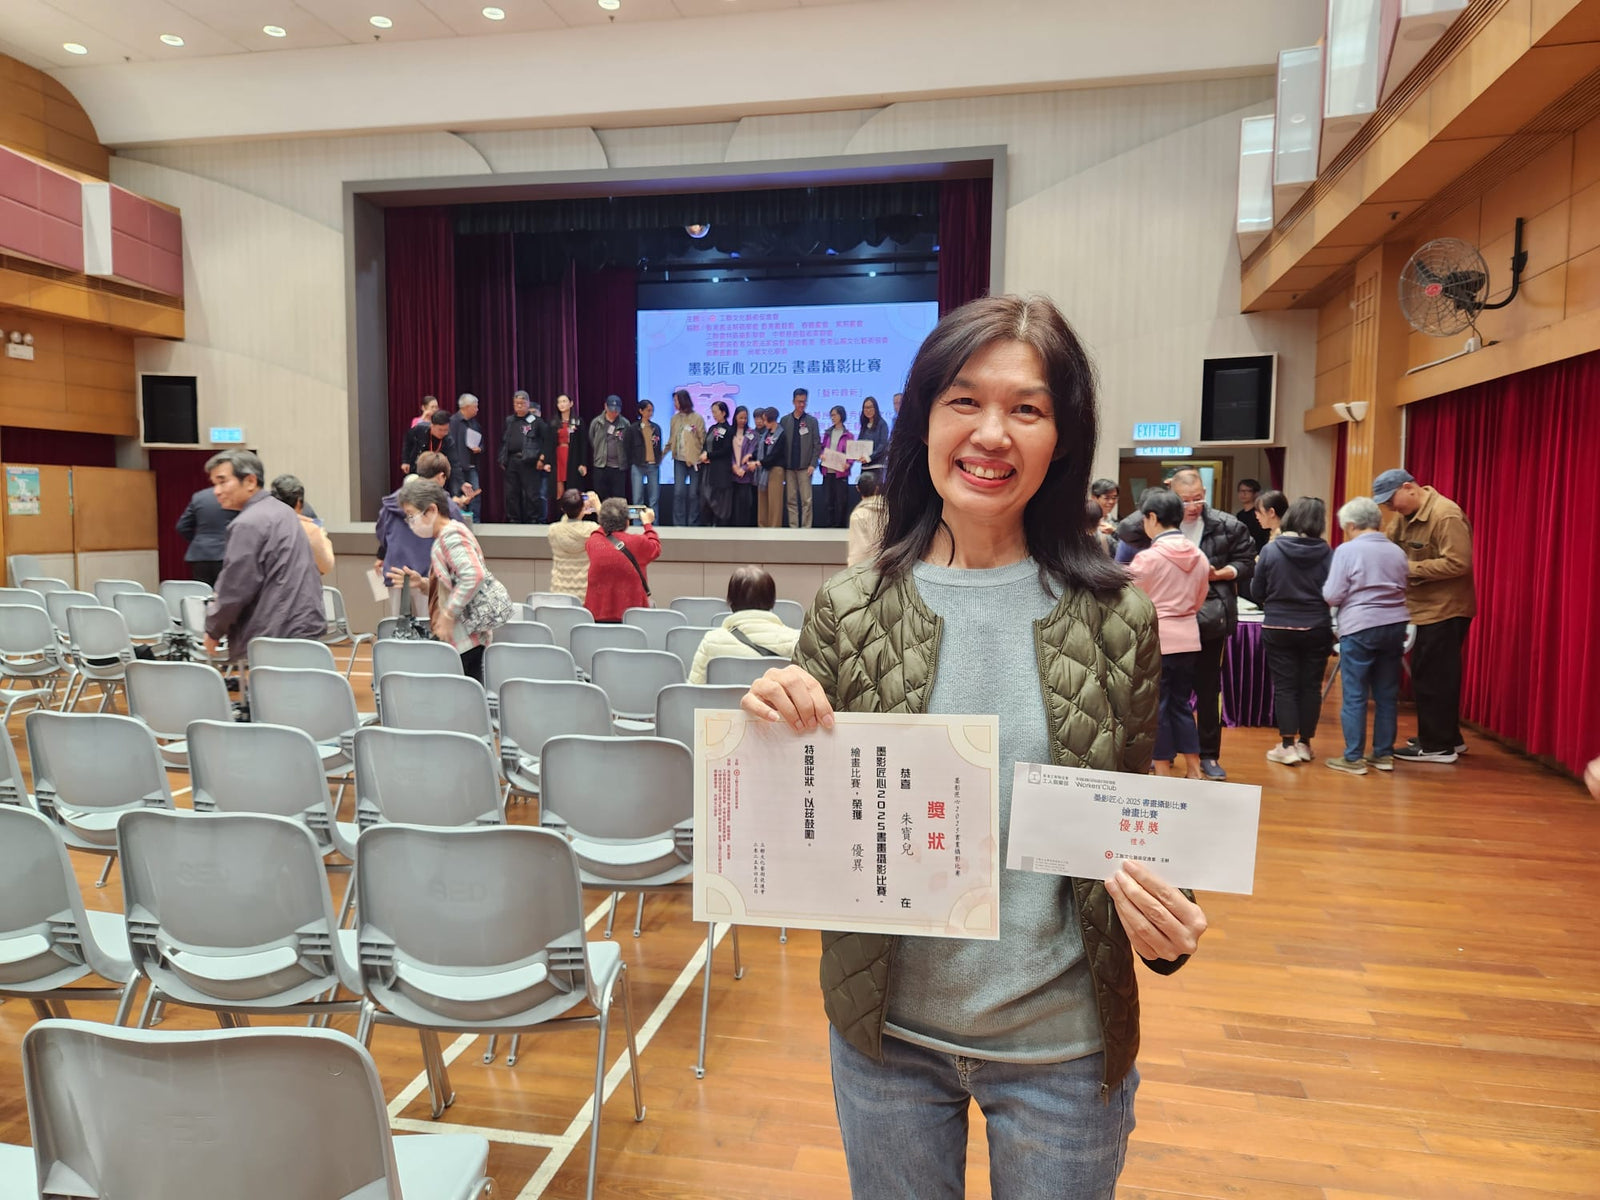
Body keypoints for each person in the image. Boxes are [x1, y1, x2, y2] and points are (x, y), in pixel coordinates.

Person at [740, 294, 1204, 1199]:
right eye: (965, 402)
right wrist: (766, 733)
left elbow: (1129, 819)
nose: (992, 433)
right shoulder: (850, 609)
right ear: (921, 422)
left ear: (1061, 438)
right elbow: (810, 830)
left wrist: (1168, 922)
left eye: (1026, 409)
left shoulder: (1118, 618)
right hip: (887, 1042)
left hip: (1064, 1051)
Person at [1374, 467, 1475, 764]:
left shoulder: (1445, 515)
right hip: (1422, 609)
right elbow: (1387, 545)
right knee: (1431, 675)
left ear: (1409, 487)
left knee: (1434, 678)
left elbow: (1459, 563)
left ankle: (1436, 747)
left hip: (1445, 609)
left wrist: (1408, 569)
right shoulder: (1403, 518)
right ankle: (1447, 738)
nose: (1389, 508)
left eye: (1391, 500)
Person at [1170, 467, 1256, 781]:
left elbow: (1248, 562)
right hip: (1171, 617)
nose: (1192, 506)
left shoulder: (1227, 524)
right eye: (1184, 501)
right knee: (1166, 690)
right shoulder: (1161, 521)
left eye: (1197, 499)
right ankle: (1164, 754)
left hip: (1211, 616)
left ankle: (1209, 756)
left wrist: (1221, 573)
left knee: (1208, 690)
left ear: (1205, 494)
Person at [201, 450, 326, 660]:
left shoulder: (248, 523)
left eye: (222, 482)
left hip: (273, 631)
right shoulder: (284, 511)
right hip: (301, 621)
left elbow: (235, 586)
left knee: (272, 692)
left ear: (250, 481)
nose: (216, 491)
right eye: (214, 484)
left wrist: (213, 630)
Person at [387, 476, 513, 681]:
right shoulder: (449, 534)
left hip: (466, 640)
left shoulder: (451, 536)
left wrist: (447, 615)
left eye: (412, 516)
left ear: (432, 510)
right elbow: (453, 583)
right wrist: (424, 584)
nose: (411, 523)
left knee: (462, 701)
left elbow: (473, 575)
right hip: (461, 640)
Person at [1322, 496, 1411, 774]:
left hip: (1360, 626)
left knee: (1355, 694)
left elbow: (1332, 594)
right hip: (1396, 625)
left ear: (1350, 525)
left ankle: (1353, 758)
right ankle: (1383, 755)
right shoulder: (1397, 551)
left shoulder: (1347, 551)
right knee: (1386, 694)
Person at [1127, 488, 1210, 779]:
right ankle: (1194, 767)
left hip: (1157, 641)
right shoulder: (1200, 556)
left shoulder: (1147, 559)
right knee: (1182, 705)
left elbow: (1131, 602)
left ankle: (1161, 769)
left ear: (1152, 517)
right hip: (1189, 638)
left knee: (1157, 707)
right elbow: (1200, 599)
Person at [1252, 497, 1334, 766]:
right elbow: (1333, 590)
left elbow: (1257, 591)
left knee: (1285, 686)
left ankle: (1286, 744)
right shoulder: (1326, 552)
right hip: (1317, 625)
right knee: (1311, 686)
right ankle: (1305, 744)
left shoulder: (1271, 550)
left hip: (1279, 625)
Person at [375, 451, 462, 616]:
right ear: (441, 476)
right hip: (429, 576)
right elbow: (458, 538)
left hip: (396, 573)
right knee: (430, 631)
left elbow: (382, 534)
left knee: (398, 631)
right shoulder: (445, 505)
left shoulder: (393, 502)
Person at [687, 566, 800, 684]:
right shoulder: (795, 642)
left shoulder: (711, 641)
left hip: (724, 703)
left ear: (730, 602)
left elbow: (695, 690)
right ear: (772, 601)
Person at [584, 498, 660, 621]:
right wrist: (647, 524)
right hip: (632, 617)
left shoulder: (593, 542)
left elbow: (599, 532)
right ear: (627, 522)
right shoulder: (637, 542)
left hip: (598, 617)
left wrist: (602, 515)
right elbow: (655, 547)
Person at [269, 474, 335, 576]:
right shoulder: (310, 528)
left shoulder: (260, 523)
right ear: (299, 502)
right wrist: (322, 537)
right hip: (301, 586)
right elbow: (325, 565)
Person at [175, 481, 236, 585]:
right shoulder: (235, 497)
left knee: (202, 595)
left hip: (200, 554)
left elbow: (181, 526)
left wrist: (198, 540)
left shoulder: (199, 497)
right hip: (227, 553)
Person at [499, 391, 546, 524]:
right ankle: (514, 519)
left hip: (530, 462)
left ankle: (533, 519)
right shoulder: (509, 420)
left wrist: (542, 459)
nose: (519, 406)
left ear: (528, 404)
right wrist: (502, 458)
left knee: (532, 494)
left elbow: (547, 440)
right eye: (516, 403)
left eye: (522, 403)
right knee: (511, 493)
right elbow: (503, 441)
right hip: (512, 461)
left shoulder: (536, 421)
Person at [546, 488, 601, 601]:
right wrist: (597, 506)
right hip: (585, 596)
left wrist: (578, 511)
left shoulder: (553, 530)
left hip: (559, 595)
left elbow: (565, 523)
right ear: (582, 508)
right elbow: (609, 528)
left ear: (562, 509)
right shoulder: (591, 530)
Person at [780, 387, 821, 528]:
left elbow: (817, 444)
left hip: (805, 468)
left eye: (804, 402)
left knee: (806, 501)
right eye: (799, 402)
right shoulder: (785, 420)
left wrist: (813, 464)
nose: (802, 405)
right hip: (789, 468)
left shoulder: (812, 421)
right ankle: (793, 529)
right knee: (791, 500)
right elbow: (780, 444)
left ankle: (806, 529)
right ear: (793, 402)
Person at [669, 389, 705, 527]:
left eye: (676, 400)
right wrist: (662, 454)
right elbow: (672, 439)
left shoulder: (697, 418)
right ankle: (679, 525)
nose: (675, 403)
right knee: (678, 493)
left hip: (694, 461)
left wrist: (701, 456)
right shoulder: (674, 419)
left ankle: (693, 524)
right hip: (679, 460)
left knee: (693, 494)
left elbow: (703, 439)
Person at [589, 394, 631, 501]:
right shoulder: (597, 422)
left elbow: (628, 442)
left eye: (617, 410)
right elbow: (591, 439)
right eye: (612, 410)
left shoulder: (625, 423)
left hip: (618, 467)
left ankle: (618, 518)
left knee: (618, 498)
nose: (614, 413)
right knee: (601, 497)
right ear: (605, 407)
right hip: (601, 466)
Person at [819, 404, 854, 529]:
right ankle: (830, 526)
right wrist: (822, 455)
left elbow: (851, 453)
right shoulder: (828, 432)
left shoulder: (848, 435)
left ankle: (840, 527)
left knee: (841, 502)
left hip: (841, 472)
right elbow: (822, 448)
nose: (832, 417)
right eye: (831, 415)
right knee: (828, 501)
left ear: (841, 415)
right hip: (828, 471)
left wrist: (848, 464)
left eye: (834, 415)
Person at [448, 393, 483, 521]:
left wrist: (480, 448)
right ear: (467, 407)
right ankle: (458, 522)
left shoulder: (474, 423)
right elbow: (450, 446)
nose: (477, 409)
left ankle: (475, 522)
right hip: (457, 468)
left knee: (474, 496)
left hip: (472, 466)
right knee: (458, 495)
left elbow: (481, 441)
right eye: (475, 406)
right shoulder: (453, 422)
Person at [549, 393, 588, 505]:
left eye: (564, 401)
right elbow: (549, 444)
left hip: (573, 457)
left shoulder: (578, 422)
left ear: (571, 404)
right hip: (558, 457)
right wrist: (547, 462)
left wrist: (583, 463)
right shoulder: (553, 423)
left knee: (573, 489)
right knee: (559, 488)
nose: (561, 404)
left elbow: (583, 444)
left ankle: (574, 513)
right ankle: (560, 515)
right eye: (559, 402)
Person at [701, 400, 734, 526]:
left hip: (721, 469)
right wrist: (704, 454)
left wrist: (709, 455)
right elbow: (706, 444)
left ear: (724, 412)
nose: (714, 414)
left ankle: (720, 524)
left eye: (716, 411)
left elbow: (726, 450)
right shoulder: (712, 428)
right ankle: (709, 523)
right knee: (706, 496)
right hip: (708, 468)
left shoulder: (728, 430)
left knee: (719, 499)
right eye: (712, 412)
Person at [627, 398, 663, 513]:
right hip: (638, 465)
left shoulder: (656, 428)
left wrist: (658, 459)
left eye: (652, 411)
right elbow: (627, 446)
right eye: (648, 410)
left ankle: (654, 524)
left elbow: (658, 445)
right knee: (637, 498)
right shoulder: (633, 428)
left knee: (654, 498)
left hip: (653, 466)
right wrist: (633, 460)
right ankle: (638, 525)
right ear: (641, 411)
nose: (650, 413)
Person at [846, 467, 887, 567]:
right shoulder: (890, 511)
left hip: (865, 572)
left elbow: (858, 551)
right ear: (878, 488)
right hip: (887, 567)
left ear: (858, 488)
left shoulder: (858, 515)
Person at [402, 409, 456, 482]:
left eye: (446, 430)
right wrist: (405, 461)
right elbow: (407, 443)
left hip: (436, 472)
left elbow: (454, 462)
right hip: (417, 468)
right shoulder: (419, 429)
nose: (443, 433)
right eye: (440, 430)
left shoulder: (448, 439)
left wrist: (461, 483)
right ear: (432, 426)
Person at [730, 405, 759, 527]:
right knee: (732, 505)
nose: (743, 420)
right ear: (735, 417)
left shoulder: (752, 433)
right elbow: (728, 452)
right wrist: (733, 466)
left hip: (746, 476)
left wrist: (744, 469)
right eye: (740, 417)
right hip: (731, 474)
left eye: (745, 418)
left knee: (745, 505)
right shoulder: (730, 432)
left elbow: (753, 452)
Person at [758, 405, 786, 528]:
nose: (763, 423)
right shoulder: (766, 434)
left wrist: (760, 463)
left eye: (765, 420)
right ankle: (762, 526)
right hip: (764, 471)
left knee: (775, 502)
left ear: (771, 419)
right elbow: (761, 450)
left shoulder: (781, 434)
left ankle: (774, 529)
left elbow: (776, 454)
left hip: (775, 470)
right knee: (762, 501)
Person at [856, 396, 890, 469]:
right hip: (864, 466)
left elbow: (882, 445)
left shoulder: (882, 424)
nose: (868, 410)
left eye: (870, 407)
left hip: (877, 466)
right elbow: (859, 443)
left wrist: (869, 457)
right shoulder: (864, 426)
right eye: (865, 408)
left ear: (875, 408)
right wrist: (856, 455)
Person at [1235, 478, 1268, 552]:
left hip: (1259, 551)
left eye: (1248, 491)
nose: (1243, 494)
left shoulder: (1260, 514)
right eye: (1241, 491)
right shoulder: (1239, 515)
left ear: (1256, 493)